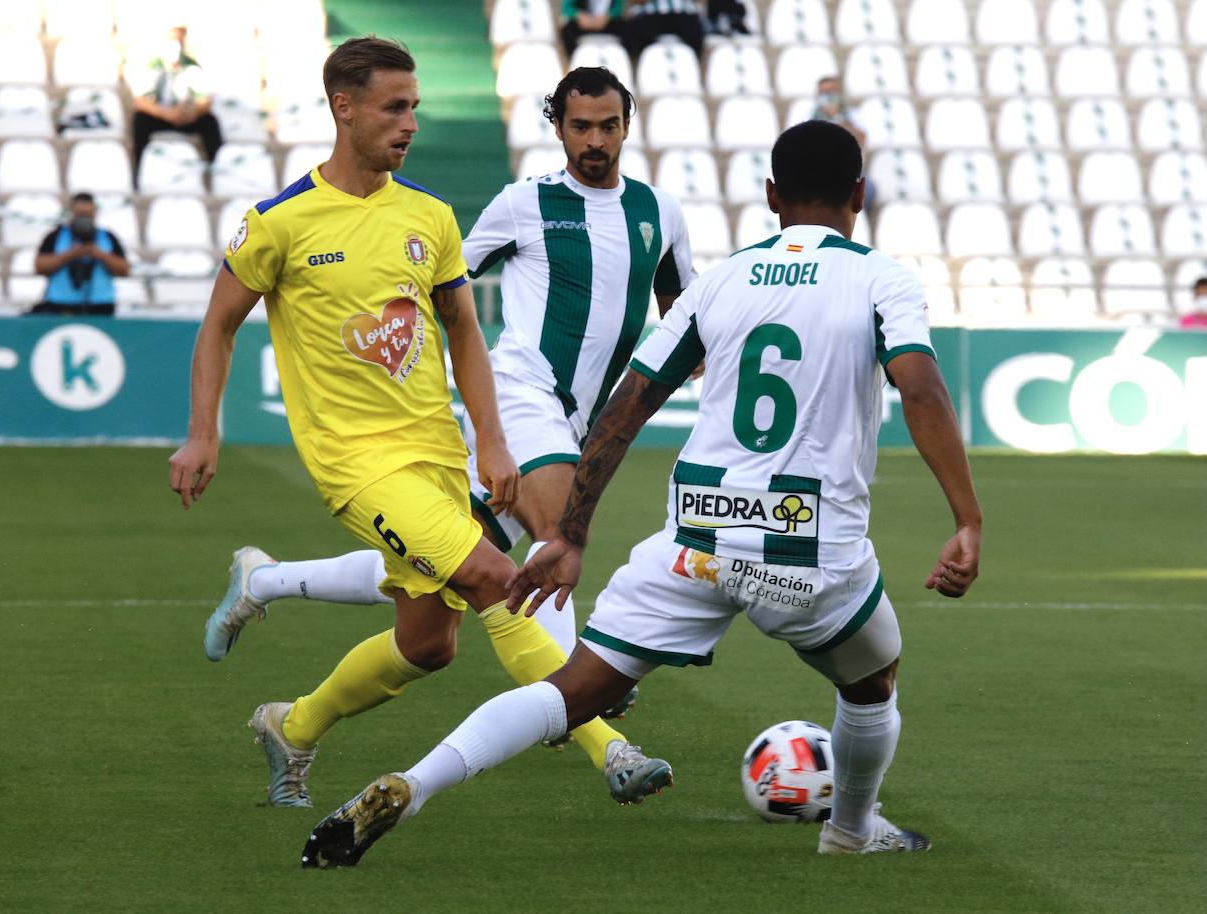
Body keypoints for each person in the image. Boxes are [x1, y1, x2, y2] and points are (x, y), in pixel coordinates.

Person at [302, 120, 983, 868]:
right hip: (804, 545)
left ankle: (414, 781)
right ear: (859, 193)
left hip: (694, 537)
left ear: (770, 196)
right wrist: (966, 519)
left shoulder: (723, 280)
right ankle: (851, 829)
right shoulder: (880, 277)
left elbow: (629, 402)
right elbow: (918, 387)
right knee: (873, 680)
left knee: (573, 690)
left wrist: (571, 535)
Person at [167, 38, 655, 811]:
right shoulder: (279, 221)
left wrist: (490, 441)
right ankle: (609, 747)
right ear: (344, 107)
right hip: (355, 463)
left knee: (428, 644)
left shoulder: (428, 215)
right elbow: (218, 325)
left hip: (435, 451)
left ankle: (292, 726)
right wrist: (204, 431)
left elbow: (463, 328)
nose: (410, 125)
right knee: (501, 579)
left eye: (415, 109)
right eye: (395, 109)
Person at [130, 25, 222, 166]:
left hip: (186, 116)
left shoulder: (192, 66)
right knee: (140, 121)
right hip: (161, 115)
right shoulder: (154, 65)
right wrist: (166, 113)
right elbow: (140, 101)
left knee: (210, 122)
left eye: (180, 41)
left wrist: (193, 112)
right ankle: (137, 171)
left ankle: (216, 170)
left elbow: (206, 100)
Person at [32, 192, 130, 316]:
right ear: (72, 214)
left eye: (88, 215)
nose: (84, 219)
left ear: (95, 213)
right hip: (60, 305)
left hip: (100, 306)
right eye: (80, 215)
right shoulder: (56, 236)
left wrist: (100, 254)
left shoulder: (107, 237)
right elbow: (39, 267)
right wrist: (70, 255)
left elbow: (125, 270)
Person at [812, 76, 874, 214]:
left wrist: (837, 118)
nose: (828, 96)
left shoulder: (854, 115)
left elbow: (862, 139)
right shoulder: (808, 115)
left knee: (867, 189)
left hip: (850, 170)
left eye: (832, 91)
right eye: (824, 92)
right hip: (817, 170)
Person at [621, 0, 706, 64]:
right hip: (652, 14)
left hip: (683, 13)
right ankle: (638, 65)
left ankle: (694, 64)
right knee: (633, 31)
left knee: (695, 31)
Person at [560, 0, 625, 57]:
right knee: (568, 30)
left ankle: (625, 58)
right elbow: (566, 8)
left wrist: (608, 17)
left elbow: (619, 8)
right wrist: (579, 16)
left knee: (625, 27)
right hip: (583, 25)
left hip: (608, 24)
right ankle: (573, 58)